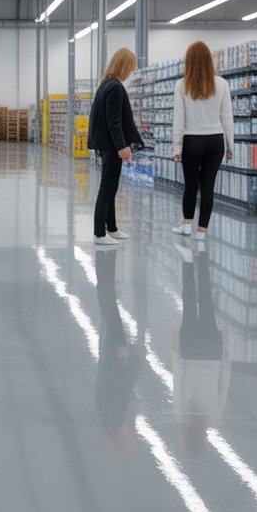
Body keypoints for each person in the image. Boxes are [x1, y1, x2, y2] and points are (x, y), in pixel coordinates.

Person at [171, 41, 234, 248]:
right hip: (216, 141)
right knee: (208, 186)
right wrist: (230, 145)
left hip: (192, 141)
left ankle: (186, 224)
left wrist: (177, 147)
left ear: (188, 61)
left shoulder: (182, 85)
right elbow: (227, 118)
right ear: (209, 60)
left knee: (190, 185)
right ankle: (201, 232)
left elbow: (179, 120)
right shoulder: (222, 84)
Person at [171, 246, 230, 458]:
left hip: (212, 353)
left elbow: (224, 384)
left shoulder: (214, 419)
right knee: (188, 301)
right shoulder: (181, 416)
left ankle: (203, 251)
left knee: (206, 299)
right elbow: (178, 382)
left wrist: (226, 351)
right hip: (189, 352)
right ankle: (188, 258)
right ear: (184, 440)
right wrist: (175, 353)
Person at [88, 47, 144, 246]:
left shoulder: (106, 84)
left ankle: (111, 227)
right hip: (111, 146)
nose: (132, 71)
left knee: (111, 187)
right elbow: (114, 122)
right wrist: (122, 147)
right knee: (107, 187)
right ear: (124, 65)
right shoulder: (115, 88)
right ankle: (99, 233)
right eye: (131, 67)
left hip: (107, 144)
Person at [96, 249, 142, 456]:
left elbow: (115, 385)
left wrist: (124, 358)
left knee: (109, 303)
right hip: (110, 357)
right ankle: (104, 254)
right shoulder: (107, 419)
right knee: (107, 304)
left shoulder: (114, 417)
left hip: (117, 355)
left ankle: (108, 253)